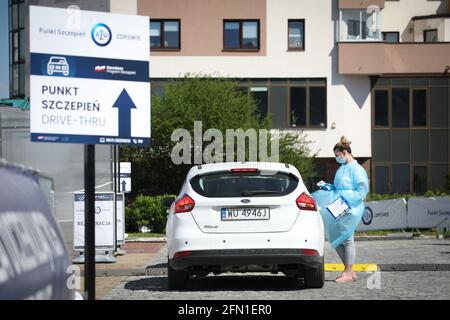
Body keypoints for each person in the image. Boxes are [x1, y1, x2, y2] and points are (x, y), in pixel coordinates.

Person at [312, 136, 369, 283]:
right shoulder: (342, 168)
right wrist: (329, 186)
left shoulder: (357, 169)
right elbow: (339, 187)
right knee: (335, 239)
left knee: (347, 239)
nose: (336, 158)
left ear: (345, 152)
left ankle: (348, 272)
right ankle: (350, 271)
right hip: (339, 205)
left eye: (337, 155)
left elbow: (362, 190)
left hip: (349, 207)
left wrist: (348, 198)